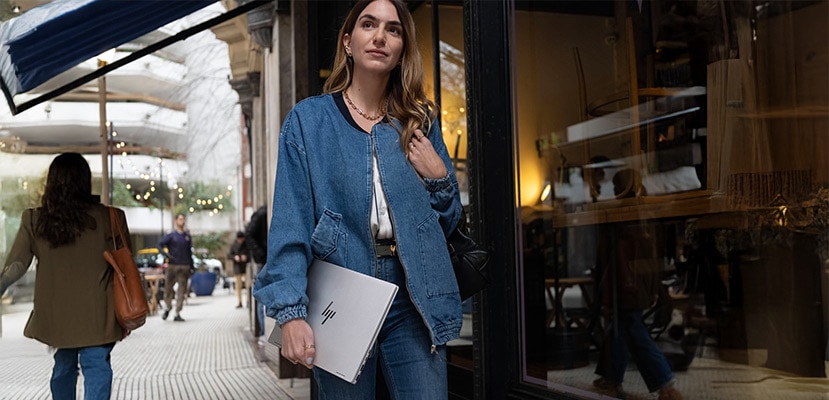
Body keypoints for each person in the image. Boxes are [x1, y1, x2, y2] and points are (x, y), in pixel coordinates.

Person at [252, 0, 463, 397]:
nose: (380, 36)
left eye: (394, 29)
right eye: (369, 25)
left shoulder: (420, 122)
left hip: (413, 296)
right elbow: (290, 224)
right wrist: (291, 311)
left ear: (402, 48)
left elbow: (447, 225)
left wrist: (439, 179)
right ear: (348, 42)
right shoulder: (309, 121)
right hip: (340, 292)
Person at [0, 152, 129, 399]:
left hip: (57, 313)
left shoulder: (35, 219)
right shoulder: (110, 217)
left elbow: (17, 263)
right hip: (98, 312)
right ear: (85, 180)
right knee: (97, 366)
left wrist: (1, 284)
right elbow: (124, 268)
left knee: (63, 367)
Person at [592, 219, 684, 400]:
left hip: (626, 281)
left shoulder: (624, 226)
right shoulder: (637, 225)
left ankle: (665, 383)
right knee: (623, 326)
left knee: (631, 326)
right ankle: (610, 378)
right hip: (632, 280)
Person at [157, 213, 193, 322]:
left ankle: (177, 312)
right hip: (172, 265)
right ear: (176, 221)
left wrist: (191, 266)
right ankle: (168, 307)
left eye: (183, 219)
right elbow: (159, 245)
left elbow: (189, 252)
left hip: (184, 266)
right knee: (168, 288)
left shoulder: (187, 236)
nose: (182, 221)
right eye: (180, 219)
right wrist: (166, 254)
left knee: (182, 290)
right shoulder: (171, 235)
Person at [245, 205, 269, 340]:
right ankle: (263, 333)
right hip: (264, 261)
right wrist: (261, 255)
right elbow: (249, 234)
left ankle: (265, 333)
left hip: (269, 259)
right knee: (262, 297)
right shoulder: (263, 213)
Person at [227, 230, 250, 308]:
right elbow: (229, 255)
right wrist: (235, 257)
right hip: (237, 267)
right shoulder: (234, 245)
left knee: (247, 284)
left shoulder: (247, 244)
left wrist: (246, 257)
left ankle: (248, 301)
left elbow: (250, 254)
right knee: (238, 285)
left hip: (245, 267)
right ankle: (239, 302)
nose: (240, 240)